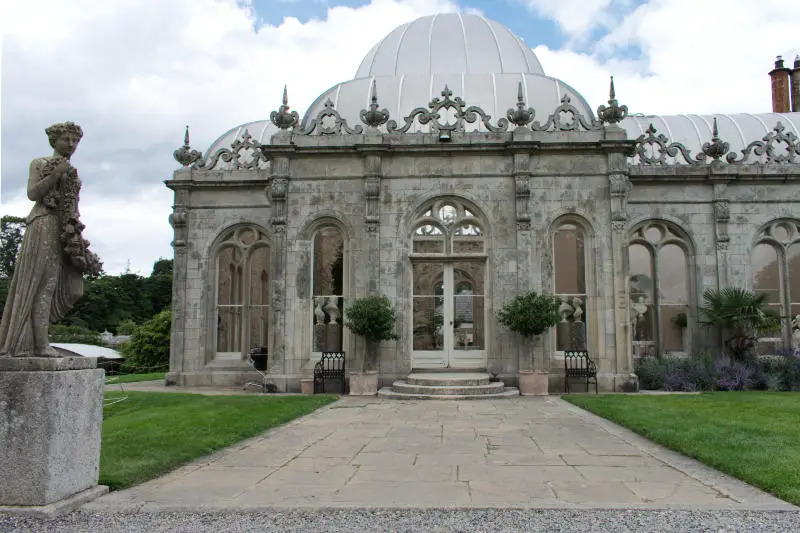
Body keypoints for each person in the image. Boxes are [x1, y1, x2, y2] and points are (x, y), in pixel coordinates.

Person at [0, 122, 98, 357]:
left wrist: (76, 237)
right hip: (43, 223)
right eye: (66, 139)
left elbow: (72, 207)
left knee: (69, 288)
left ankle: (40, 341)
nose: (71, 145)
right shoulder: (40, 163)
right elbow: (33, 194)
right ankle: (38, 345)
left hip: (65, 229)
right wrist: (55, 175)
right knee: (40, 284)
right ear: (54, 140)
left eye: (75, 141)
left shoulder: (73, 172)